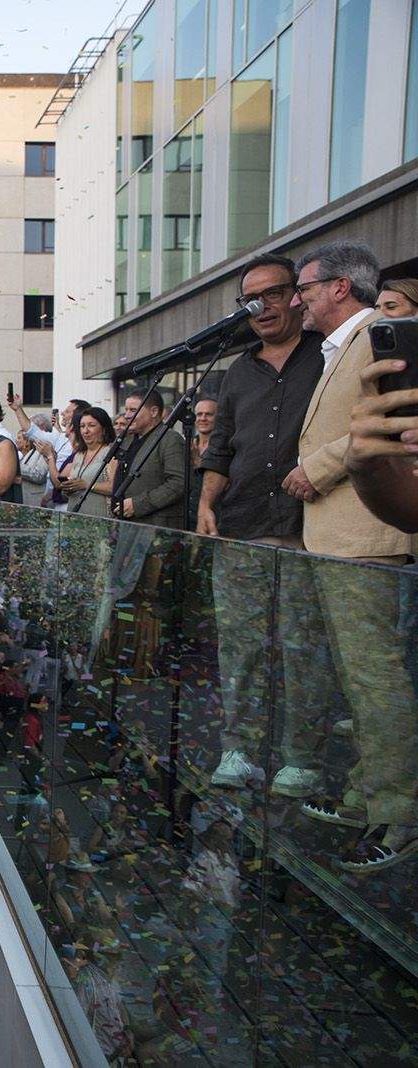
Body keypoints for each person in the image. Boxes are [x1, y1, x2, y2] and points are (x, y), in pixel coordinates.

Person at [288, 240, 418, 871]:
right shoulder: (343, 346)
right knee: (358, 679)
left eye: (305, 288)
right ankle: (367, 794)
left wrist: (315, 466)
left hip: (367, 532)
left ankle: (399, 812)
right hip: (338, 536)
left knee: (375, 677)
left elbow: (384, 423)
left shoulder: (378, 338)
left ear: (340, 286)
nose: (298, 301)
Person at [196, 253, 331, 794]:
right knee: (241, 649)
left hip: (309, 529)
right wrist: (207, 503)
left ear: (297, 294)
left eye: (272, 293)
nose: (261, 307)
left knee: (303, 651)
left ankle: (302, 758)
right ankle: (240, 750)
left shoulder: (327, 354)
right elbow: (220, 447)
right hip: (242, 527)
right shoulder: (237, 371)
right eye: (250, 299)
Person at [347, 278, 418, 532]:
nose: (379, 316)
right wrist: (365, 468)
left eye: (391, 306)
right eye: (377, 308)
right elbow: (410, 514)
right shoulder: (373, 372)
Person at [111, 388, 187, 527]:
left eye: (133, 410)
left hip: (155, 526)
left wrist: (138, 504)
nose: (127, 415)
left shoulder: (170, 439)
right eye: (126, 410)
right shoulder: (129, 439)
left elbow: (179, 483)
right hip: (126, 525)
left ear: (154, 411)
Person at [40, 405, 115, 517]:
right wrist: (69, 488)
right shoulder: (79, 455)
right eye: (82, 426)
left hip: (99, 518)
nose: (85, 431)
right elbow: (59, 483)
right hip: (75, 517)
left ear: (104, 429)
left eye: (91, 425)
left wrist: (87, 485)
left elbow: (114, 487)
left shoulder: (111, 453)